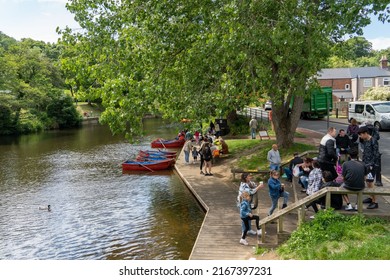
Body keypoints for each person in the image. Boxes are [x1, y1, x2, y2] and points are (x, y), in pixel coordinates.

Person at [358, 126, 380, 209]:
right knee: (367, 182)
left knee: (370, 182)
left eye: (361, 135)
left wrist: (372, 165)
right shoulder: (365, 140)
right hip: (366, 164)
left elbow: (376, 154)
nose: (360, 137)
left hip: (371, 166)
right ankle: (371, 198)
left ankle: (375, 202)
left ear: (365, 133)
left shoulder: (373, 141)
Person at [340, 147, 366, 211]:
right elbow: (365, 177)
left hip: (349, 185)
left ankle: (349, 204)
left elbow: (343, 177)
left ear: (349, 155)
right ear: (357, 155)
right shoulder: (363, 164)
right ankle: (357, 205)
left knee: (340, 188)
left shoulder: (345, 164)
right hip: (360, 186)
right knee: (360, 185)